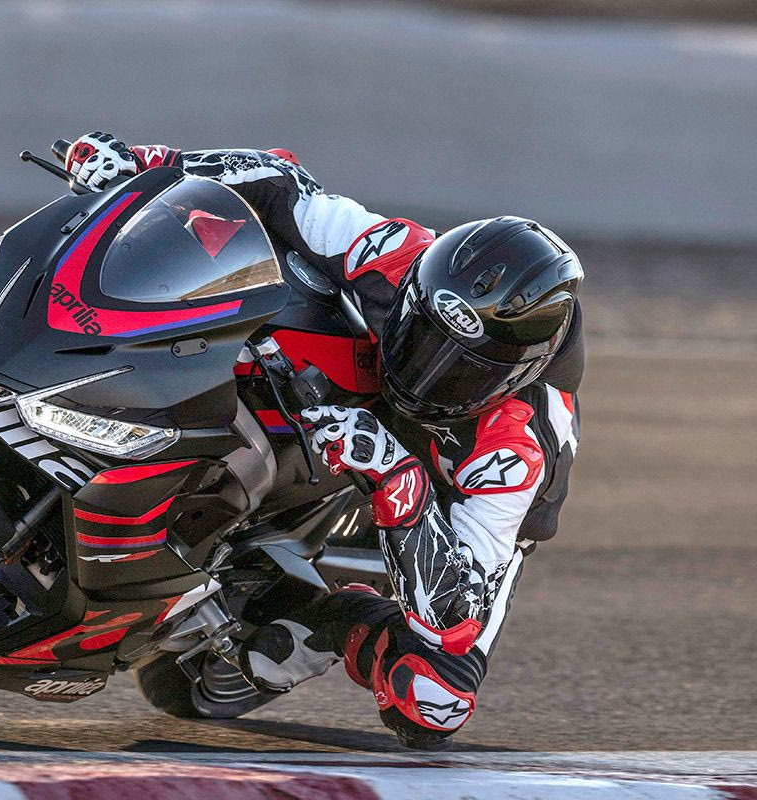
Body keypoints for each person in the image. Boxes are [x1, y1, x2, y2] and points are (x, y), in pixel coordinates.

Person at [64, 132, 584, 750]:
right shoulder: (397, 255)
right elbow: (280, 182)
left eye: (461, 370)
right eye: (421, 336)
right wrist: (149, 165)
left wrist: (394, 472)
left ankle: (327, 615)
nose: (427, 372)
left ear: (519, 374)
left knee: (434, 698)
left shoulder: (514, 453)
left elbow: (454, 615)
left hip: (441, 479)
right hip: (358, 384)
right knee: (281, 289)